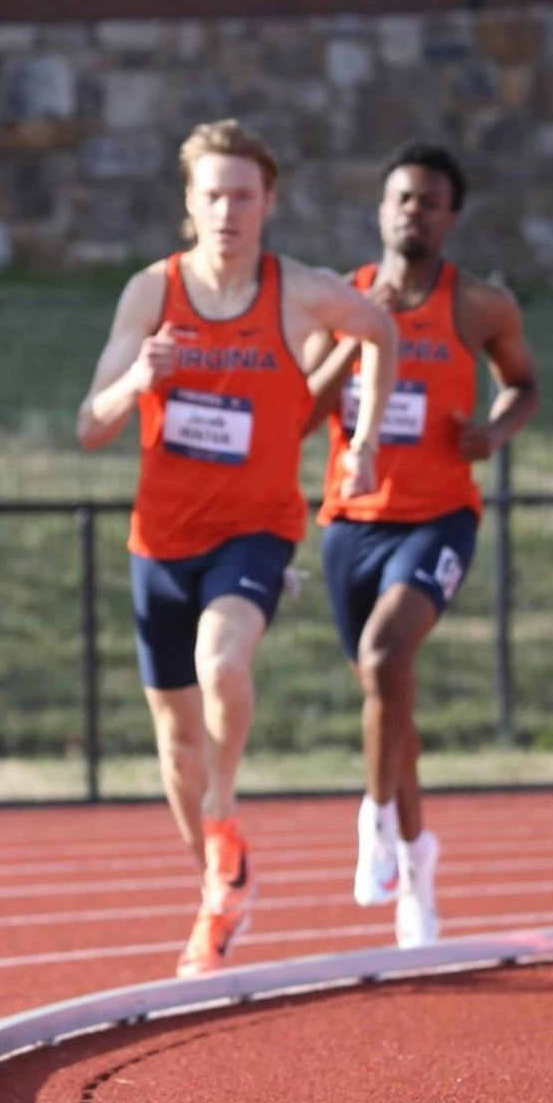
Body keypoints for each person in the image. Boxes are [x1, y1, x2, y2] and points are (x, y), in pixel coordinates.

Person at [75, 118, 400, 977]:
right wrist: (140, 379)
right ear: (190, 203)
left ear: (269, 203)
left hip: (255, 531)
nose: (228, 211)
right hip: (161, 543)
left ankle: (225, 805)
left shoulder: (298, 291)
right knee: (176, 748)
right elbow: (89, 425)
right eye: (212, 194)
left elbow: (382, 328)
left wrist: (362, 436)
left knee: (223, 666)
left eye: (243, 196)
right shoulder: (151, 292)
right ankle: (221, 881)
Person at [301, 141, 540, 947]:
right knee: (388, 693)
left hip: (439, 517)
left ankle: (373, 824)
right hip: (351, 522)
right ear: (381, 209)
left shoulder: (478, 305)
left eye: (431, 201)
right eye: (403, 198)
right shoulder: (343, 296)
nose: (415, 211)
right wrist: (364, 335)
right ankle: (419, 864)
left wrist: (497, 429)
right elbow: (299, 410)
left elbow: (524, 381)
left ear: (451, 217)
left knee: (383, 658)